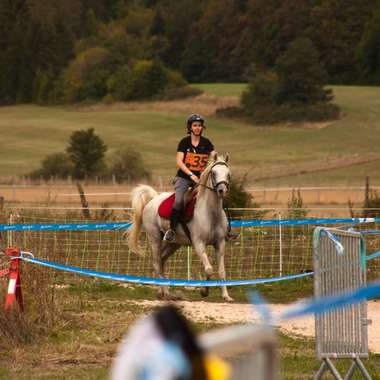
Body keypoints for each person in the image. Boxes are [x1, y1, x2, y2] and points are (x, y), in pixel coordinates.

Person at [163, 114, 215, 243]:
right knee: (179, 200)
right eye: (195, 125)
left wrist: (207, 169)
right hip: (184, 177)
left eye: (200, 125)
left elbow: (213, 157)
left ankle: (222, 230)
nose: (198, 128)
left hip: (201, 179)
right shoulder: (184, 142)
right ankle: (172, 230)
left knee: (214, 197)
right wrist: (191, 174)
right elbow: (179, 161)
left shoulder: (207, 143)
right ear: (190, 127)